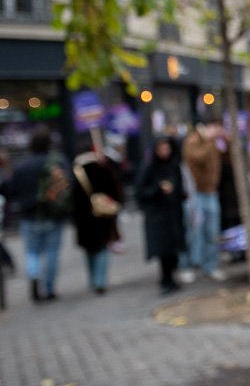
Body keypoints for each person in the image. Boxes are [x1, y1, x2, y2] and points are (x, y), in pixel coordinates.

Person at [4, 127, 70, 301]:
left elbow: (11, 190)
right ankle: (48, 288)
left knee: (31, 251)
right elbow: (69, 184)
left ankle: (34, 274)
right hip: (52, 214)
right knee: (52, 252)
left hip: (29, 216)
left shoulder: (21, 166)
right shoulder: (58, 161)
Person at [137, 136, 188, 294]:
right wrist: (157, 190)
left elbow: (180, 187)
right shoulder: (149, 168)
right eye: (162, 149)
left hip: (173, 213)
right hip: (158, 216)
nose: (165, 152)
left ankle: (172, 277)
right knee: (163, 250)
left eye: (167, 148)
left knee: (174, 249)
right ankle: (166, 280)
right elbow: (141, 192)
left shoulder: (174, 165)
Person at [71, 148, 125, 294]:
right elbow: (116, 193)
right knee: (102, 248)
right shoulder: (103, 169)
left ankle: (93, 279)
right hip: (102, 216)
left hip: (83, 219)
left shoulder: (76, 172)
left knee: (89, 250)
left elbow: (72, 200)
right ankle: (100, 281)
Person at [181, 120, 227, 281]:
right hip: (196, 193)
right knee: (193, 232)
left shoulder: (214, 142)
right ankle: (186, 266)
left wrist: (225, 138)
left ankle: (210, 265)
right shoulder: (193, 141)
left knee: (212, 232)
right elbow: (197, 158)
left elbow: (227, 154)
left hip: (212, 192)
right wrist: (209, 140)